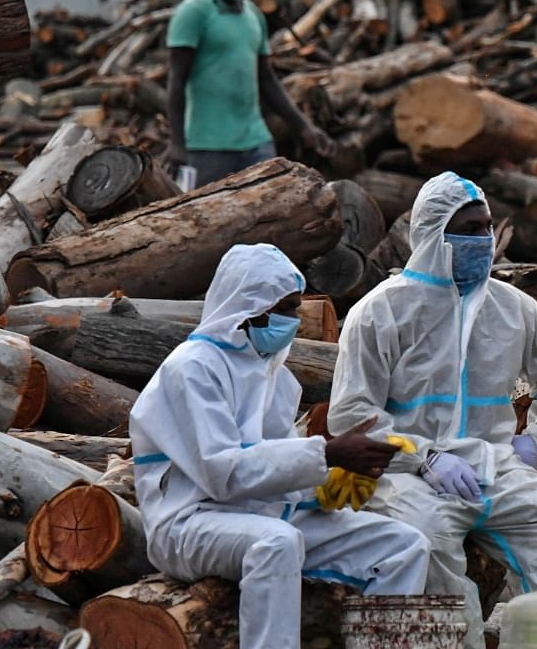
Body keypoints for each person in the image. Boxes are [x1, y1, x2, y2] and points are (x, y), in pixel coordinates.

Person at [327, 172, 537, 649]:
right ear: (434, 234)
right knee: (424, 549)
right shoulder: (380, 311)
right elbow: (353, 415)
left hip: (495, 465)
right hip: (405, 475)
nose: (484, 241)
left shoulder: (512, 307)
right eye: (469, 229)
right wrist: (423, 456)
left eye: (487, 228)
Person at [130, 244, 429, 649]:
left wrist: (327, 484)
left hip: (265, 512)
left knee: (405, 545)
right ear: (248, 306)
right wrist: (327, 454)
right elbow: (225, 474)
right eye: (285, 308)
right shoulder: (193, 368)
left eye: (295, 308)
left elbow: (275, 468)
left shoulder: (275, 377)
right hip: (188, 523)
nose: (293, 320)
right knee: (275, 543)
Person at [165, 0, 335, 187]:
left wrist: (304, 127)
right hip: (207, 146)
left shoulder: (253, 16)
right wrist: (177, 143)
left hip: (255, 142)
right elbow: (176, 81)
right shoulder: (194, 12)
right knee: (207, 220)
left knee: (270, 210)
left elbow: (267, 80)